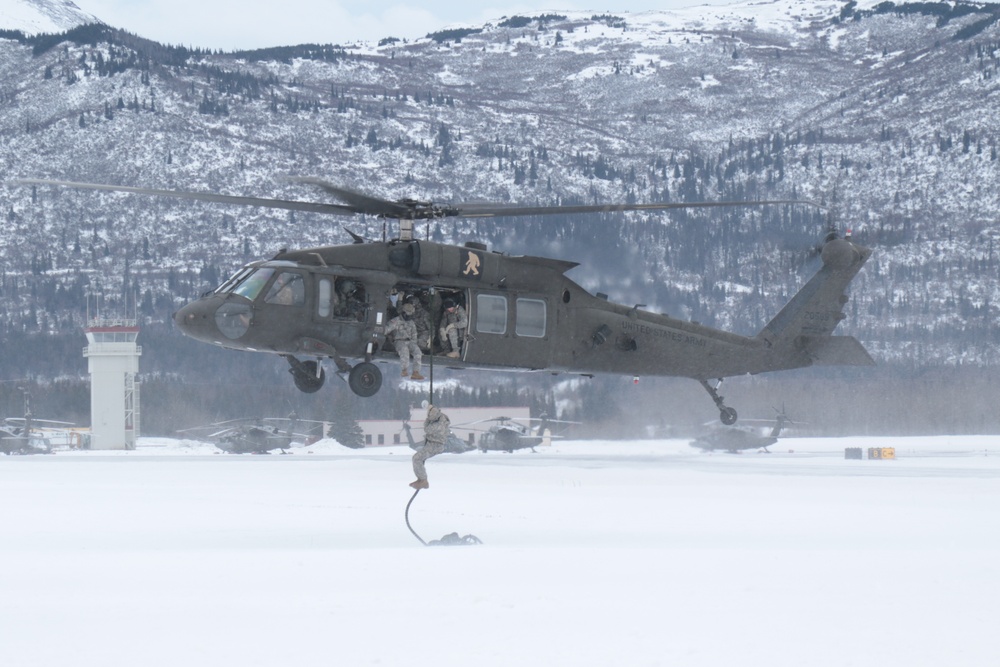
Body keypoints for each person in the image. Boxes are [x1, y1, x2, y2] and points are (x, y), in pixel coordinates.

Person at [410, 404, 450, 489]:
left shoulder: (440, 423)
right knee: (417, 458)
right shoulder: (439, 418)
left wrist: (427, 420)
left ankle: (423, 480)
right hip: (431, 443)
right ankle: (420, 479)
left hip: (435, 445)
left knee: (417, 458)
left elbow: (427, 429)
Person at [384, 303, 425, 380]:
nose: (409, 316)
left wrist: (413, 344)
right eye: (408, 314)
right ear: (403, 313)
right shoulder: (396, 321)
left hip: (410, 342)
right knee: (404, 350)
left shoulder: (411, 322)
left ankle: (416, 372)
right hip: (399, 341)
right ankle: (404, 370)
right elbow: (386, 329)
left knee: (418, 352)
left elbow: (414, 334)